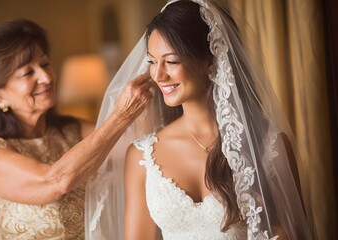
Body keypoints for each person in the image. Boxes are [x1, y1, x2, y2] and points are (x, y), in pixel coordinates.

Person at [85, 0, 315, 240]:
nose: (158, 75)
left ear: (211, 59)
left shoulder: (270, 146)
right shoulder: (142, 157)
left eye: (171, 61)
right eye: (153, 61)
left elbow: (292, 232)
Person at [0, 19, 153, 240]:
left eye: (45, 64)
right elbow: (53, 183)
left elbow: (138, 151)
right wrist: (121, 115)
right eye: (28, 73)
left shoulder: (72, 130)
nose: (46, 78)